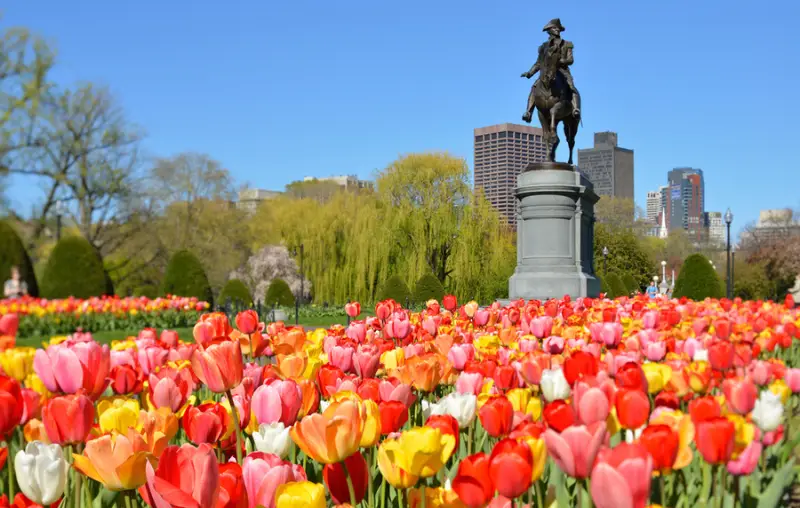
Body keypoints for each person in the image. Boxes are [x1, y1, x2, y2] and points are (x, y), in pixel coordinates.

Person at [521, 18, 581, 122]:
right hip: (546, 71)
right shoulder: (543, 47)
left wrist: (561, 61)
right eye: (554, 28)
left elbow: (570, 60)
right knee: (535, 86)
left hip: (562, 71)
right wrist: (529, 73)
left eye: (558, 28)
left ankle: (575, 109)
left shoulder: (567, 44)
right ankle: (528, 112)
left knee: (571, 87)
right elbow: (538, 63)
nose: (557, 29)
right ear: (549, 30)